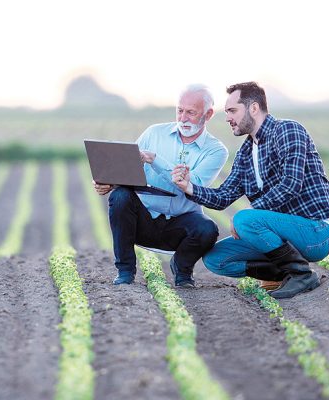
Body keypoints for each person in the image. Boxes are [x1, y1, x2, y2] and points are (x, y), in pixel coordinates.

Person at [172, 81, 329, 298]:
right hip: (279, 236)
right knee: (216, 259)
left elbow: (291, 185)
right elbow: (223, 197)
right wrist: (189, 187)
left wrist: (250, 214)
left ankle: (301, 275)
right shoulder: (245, 153)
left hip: (314, 232)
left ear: (253, 108)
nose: (228, 118)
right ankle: (281, 275)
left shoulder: (288, 130)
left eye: (233, 111)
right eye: (226, 112)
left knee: (245, 219)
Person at [93, 84, 229, 287]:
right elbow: (129, 167)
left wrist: (155, 160)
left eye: (191, 113)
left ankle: (182, 270)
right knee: (120, 195)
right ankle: (125, 271)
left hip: (180, 224)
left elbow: (194, 185)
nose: (183, 118)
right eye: (180, 110)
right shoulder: (154, 133)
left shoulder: (216, 150)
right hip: (144, 220)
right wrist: (108, 182)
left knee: (208, 229)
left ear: (208, 114)